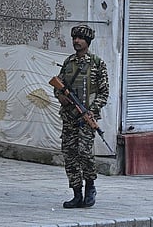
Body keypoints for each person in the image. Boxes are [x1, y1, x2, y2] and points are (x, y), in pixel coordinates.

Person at [55, 23, 109, 208]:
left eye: (80, 38)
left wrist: (91, 111)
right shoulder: (68, 63)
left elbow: (104, 93)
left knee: (84, 153)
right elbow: (58, 86)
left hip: (86, 118)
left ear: (87, 41)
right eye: (74, 38)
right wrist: (61, 96)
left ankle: (90, 187)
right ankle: (76, 193)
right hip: (69, 117)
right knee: (69, 155)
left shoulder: (96, 63)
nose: (76, 41)